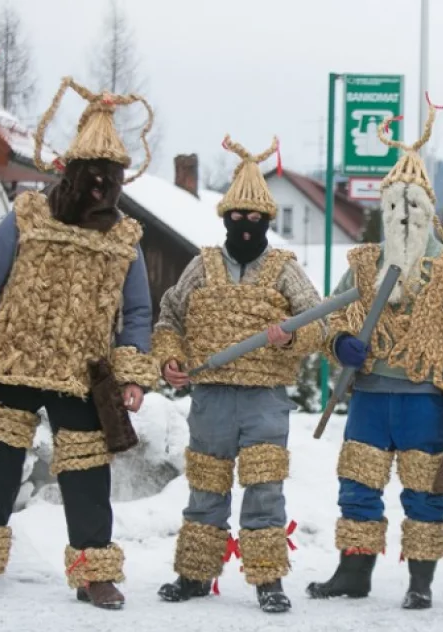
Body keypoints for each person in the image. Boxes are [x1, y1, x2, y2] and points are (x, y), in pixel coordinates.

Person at [0, 77, 158, 609]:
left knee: (86, 476)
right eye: (92, 177)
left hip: (81, 375)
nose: (101, 187)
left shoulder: (125, 237)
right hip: (12, 364)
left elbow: (138, 312)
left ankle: (92, 573)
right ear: (72, 172)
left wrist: (130, 374)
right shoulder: (27, 217)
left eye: (111, 179)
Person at [306, 99, 443, 610]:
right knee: (358, 484)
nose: (403, 217)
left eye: (412, 206)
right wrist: (338, 342)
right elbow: (335, 315)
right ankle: (354, 570)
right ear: (384, 211)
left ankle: (420, 581)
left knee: (424, 489)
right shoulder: (366, 264)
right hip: (369, 396)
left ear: (428, 210)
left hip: (424, 399)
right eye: (394, 206)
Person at [152, 135, 324, 614]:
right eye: (237, 219)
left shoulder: (285, 270)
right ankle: (194, 573)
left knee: (265, 491)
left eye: (255, 220)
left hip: (265, 399)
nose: (245, 227)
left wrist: (290, 338)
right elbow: (169, 319)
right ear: (224, 219)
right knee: (206, 486)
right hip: (210, 397)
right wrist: (170, 359)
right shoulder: (201, 267)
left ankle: (268, 579)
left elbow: (319, 324)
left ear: (267, 223)